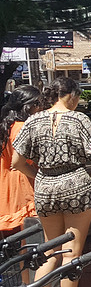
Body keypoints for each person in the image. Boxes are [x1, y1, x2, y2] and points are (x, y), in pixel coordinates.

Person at [11, 77, 91, 287]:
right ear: (72, 95)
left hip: (44, 188)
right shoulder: (79, 119)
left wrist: (40, 176)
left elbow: (17, 161)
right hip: (76, 184)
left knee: (50, 252)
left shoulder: (33, 120)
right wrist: (89, 178)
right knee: (72, 254)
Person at [0, 86, 43, 234]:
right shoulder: (23, 127)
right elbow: (25, 161)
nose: (41, 107)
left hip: (6, 182)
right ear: (28, 106)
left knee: (12, 236)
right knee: (29, 236)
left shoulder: (6, 125)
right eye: (38, 103)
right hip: (24, 180)